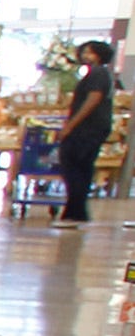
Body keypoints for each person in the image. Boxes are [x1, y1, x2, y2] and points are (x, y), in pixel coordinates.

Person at [58, 38, 114, 228]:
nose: (84, 56)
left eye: (89, 52)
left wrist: (71, 125)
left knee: (73, 165)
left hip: (86, 130)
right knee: (82, 168)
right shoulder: (100, 74)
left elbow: (92, 100)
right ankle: (77, 211)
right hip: (93, 129)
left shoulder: (97, 74)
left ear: (99, 55)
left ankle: (74, 212)